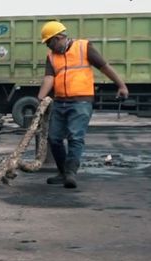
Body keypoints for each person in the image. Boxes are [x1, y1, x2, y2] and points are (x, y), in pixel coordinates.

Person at [37, 21, 128, 188]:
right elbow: (49, 78)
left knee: (75, 136)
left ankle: (70, 173)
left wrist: (121, 85)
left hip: (81, 102)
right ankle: (63, 172)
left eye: (50, 43)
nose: (49, 47)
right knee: (54, 138)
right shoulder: (51, 56)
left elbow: (104, 67)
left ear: (59, 38)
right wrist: (41, 97)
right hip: (60, 101)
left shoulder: (84, 47)